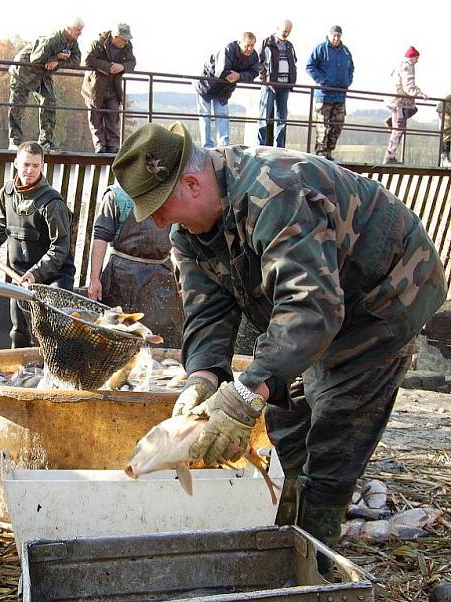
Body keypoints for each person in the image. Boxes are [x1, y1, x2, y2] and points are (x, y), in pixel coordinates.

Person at [111, 122, 446, 572]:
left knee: (334, 433)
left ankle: (314, 572)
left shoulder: (275, 193)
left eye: (159, 206)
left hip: (384, 294)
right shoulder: (186, 233)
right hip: (315, 303)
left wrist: (247, 394)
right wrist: (203, 378)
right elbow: (208, 310)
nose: (157, 221)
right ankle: (289, 534)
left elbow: (311, 308)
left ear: (191, 183)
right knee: (289, 426)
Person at [0, 142, 76, 348]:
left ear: (42, 166)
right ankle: (22, 374)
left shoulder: (52, 202)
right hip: (20, 276)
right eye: (25, 164)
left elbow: (60, 248)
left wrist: (36, 274)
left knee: (53, 336)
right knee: (19, 332)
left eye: (35, 166)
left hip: (53, 278)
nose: (30, 170)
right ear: (15, 164)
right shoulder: (7, 192)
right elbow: (2, 223)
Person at [87, 183, 182, 346]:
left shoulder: (172, 195)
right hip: (121, 276)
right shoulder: (117, 196)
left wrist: (184, 281)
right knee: (115, 335)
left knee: (162, 339)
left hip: (161, 276)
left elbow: (180, 242)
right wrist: (94, 278)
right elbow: (100, 236)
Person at [8, 19, 84, 151]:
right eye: (78, 30)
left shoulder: (72, 43)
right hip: (24, 71)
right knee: (17, 106)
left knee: (49, 101)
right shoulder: (52, 39)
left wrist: (58, 62)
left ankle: (46, 141)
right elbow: (35, 58)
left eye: (81, 30)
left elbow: (76, 60)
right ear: (69, 28)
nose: (80, 33)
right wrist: (56, 56)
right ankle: (15, 141)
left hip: (42, 74)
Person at [195, 33, 260, 148]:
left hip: (224, 90)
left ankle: (224, 147)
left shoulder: (253, 56)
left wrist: (239, 76)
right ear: (240, 43)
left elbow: (254, 72)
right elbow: (222, 72)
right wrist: (238, 76)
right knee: (205, 116)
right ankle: (207, 146)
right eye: (247, 46)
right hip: (207, 86)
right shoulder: (228, 50)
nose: (249, 49)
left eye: (252, 46)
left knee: (222, 115)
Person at [81, 23, 137, 154]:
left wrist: (122, 67)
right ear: (116, 36)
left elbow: (132, 62)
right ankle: (100, 146)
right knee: (96, 117)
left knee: (113, 115)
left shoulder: (127, 46)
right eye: (124, 39)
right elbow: (88, 60)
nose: (126, 42)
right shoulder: (98, 44)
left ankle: (113, 146)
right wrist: (108, 67)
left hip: (114, 87)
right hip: (95, 87)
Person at [306, 25, 354, 161]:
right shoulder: (320, 49)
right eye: (334, 35)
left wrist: (348, 81)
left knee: (338, 124)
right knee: (323, 126)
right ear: (329, 35)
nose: (336, 38)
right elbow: (310, 66)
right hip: (324, 94)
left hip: (340, 94)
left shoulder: (345, 51)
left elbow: (351, 67)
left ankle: (329, 151)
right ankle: (321, 153)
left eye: (339, 35)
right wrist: (323, 80)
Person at [383, 47, 427, 164]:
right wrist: (420, 94)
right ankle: (389, 156)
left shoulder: (399, 64)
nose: (417, 61)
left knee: (412, 110)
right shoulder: (407, 67)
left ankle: (392, 122)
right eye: (417, 58)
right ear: (413, 57)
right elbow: (408, 86)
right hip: (399, 101)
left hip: (393, 100)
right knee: (399, 128)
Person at [256, 20, 297, 148]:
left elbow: (293, 62)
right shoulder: (267, 43)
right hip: (269, 86)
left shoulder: (290, 45)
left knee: (282, 119)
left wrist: (292, 81)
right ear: (277, 28)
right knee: (264, 117)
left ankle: (279, 147)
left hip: (284, 86)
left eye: (288, 32)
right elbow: (258, 62)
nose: (286, 34)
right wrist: (266, 80)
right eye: (284, 31)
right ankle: (260, 146)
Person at [438, 94, 451, 168]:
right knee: (447, 132)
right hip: (444, 111)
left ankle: (445, 158)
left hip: (446, 110)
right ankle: (444, 159)